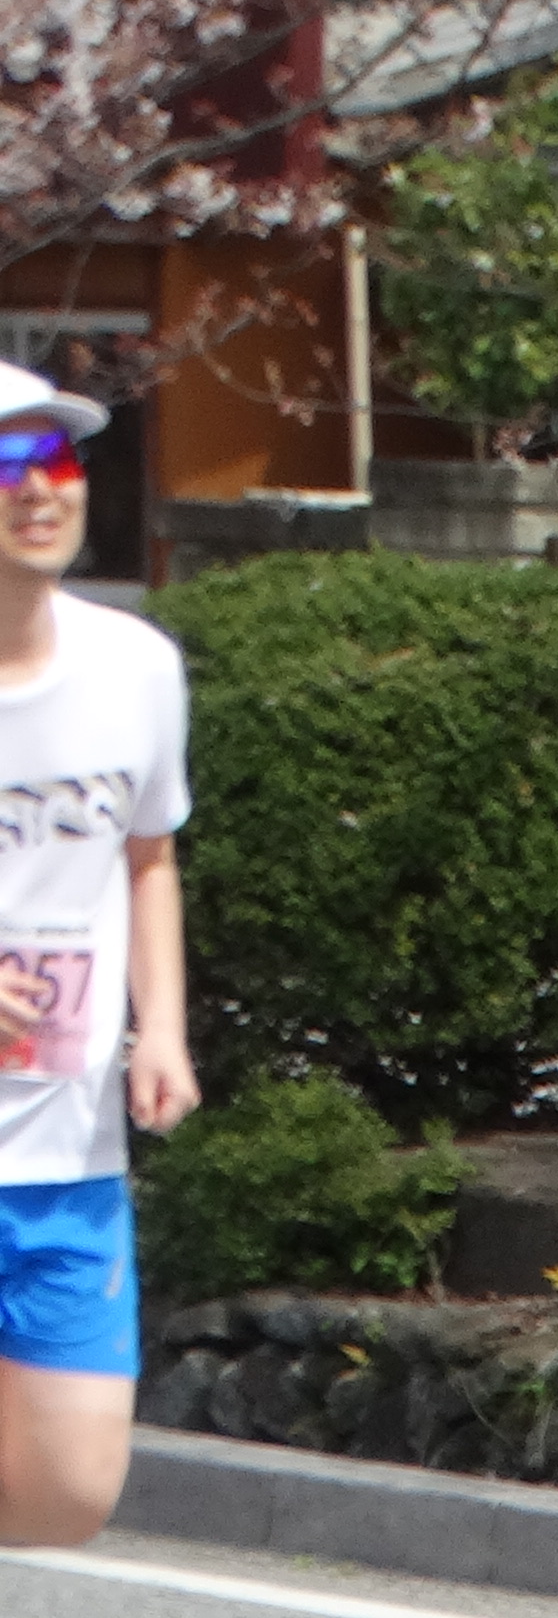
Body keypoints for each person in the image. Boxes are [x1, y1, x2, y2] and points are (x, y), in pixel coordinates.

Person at [0, 362, 193, 1548]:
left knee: (70, 1495)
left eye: (57, 462)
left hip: (66, 1148)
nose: (40, 490)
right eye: (8, 467)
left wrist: (158, 1026)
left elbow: (149, 854)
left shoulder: (135, 667)